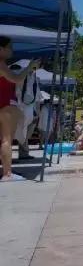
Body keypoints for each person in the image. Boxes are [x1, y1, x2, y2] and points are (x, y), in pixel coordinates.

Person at [0, 37, 40, 181]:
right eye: (9, 47)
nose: (12, 50)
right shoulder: (1, 64)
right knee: (6, 140)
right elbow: (16, 79)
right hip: (5, 105)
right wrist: (29, 67)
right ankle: (7, 174)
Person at [10, 61, 42, 160]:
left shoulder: (30, 77)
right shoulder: (20, 77)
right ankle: (11, 155)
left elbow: (34, 95)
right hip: (15, 106)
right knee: (11, 132)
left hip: (23, 106)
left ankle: (23, 152)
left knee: (21, 130)